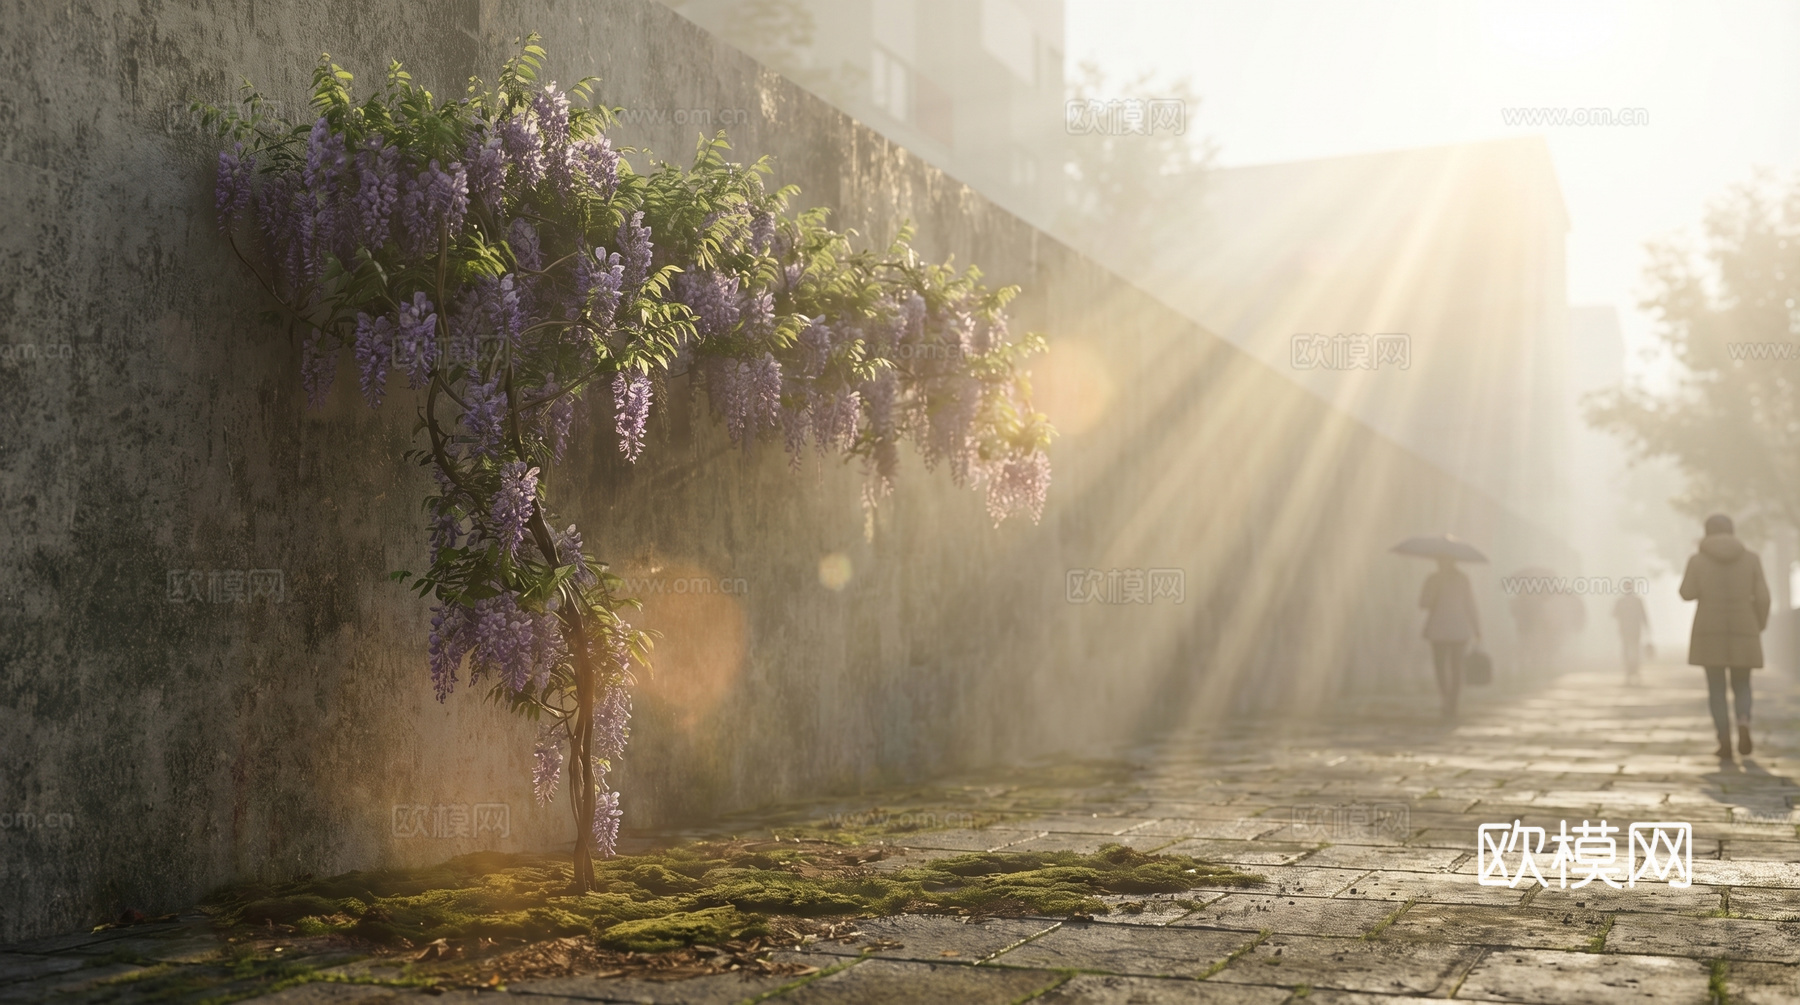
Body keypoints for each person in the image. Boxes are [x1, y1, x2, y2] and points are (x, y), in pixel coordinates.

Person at [1679, 514, 1771, 758]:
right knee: (1742, 684)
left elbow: (1686, 593)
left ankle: (1724, 741)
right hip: (1744, 627)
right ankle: (1743, 720)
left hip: (1709, 631)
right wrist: (1757, 625)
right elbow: (1763, 598)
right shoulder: (1752, 559)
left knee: (1716, 688)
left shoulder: (1697, 560)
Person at [1420, 556, 1481, 717]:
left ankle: (1449, 700)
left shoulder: (1439, 579)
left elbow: (1423, 603)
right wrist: (1476, 628)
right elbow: (1423, 603)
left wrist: (1476, 628)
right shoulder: (1455, 579)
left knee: (1449, 667)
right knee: (1449, 667)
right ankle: (1448, 700)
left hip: (1446, 628)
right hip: (1453, 628)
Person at [1612, 591, 1650, 684]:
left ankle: (1630, 670)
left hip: (1626, 629)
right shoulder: (1637, 601)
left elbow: (1614, 614)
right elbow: (1643, 614)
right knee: (1634, 649)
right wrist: (1647, 626)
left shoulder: (1621, 601)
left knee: (1627, 649)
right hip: (1634, 629)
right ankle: (1633, 670)